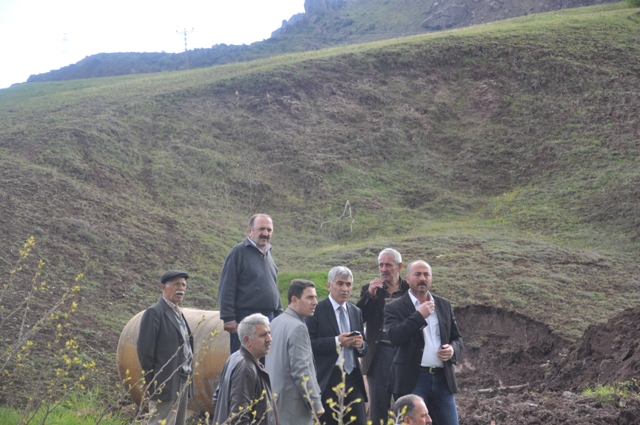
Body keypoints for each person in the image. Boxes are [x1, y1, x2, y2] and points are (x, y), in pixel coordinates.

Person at [384, 260, 463, 425]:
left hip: (442, 379)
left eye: (426, 274)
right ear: (407, 278)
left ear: (431, 278)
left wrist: (452, 350)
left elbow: (458, 339)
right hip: (413, 379)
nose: (422, 278)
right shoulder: (394, 307)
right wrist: (418, 316)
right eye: (417, 274)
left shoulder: (443, 305)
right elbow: (395, 337)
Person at [306, 266, 368, 425]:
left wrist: (360, 345)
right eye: (340, 283)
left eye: (348, 284)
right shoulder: (317, 310)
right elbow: (309, 345)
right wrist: (336, 342)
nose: (345, 289)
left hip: (353, 378)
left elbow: (363, 349)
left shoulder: (356, 311)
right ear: (329, 285)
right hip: (328, 379)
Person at [356, 248, 410, 425]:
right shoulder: (370, 290)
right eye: (381, 265)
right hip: (378, 355)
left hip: (404, 354)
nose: (384, 269)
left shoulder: (409, 290)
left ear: (399, 266)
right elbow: (359, 317)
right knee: (378, 408)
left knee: (407, 406)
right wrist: (369, 295)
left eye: (388, 264)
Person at [218, 214, 283, 354]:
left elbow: (272, 286)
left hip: (268, 318)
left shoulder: (268, 253)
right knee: (244, 361)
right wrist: (228, 318)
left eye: (269, 230)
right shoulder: (238, 252)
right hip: (246, 319)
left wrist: (279, 314)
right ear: (250, 231)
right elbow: (227, 285)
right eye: (261, 229)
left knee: (266, 365)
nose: (265, 233)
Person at [137, 270, 194, 425]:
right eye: (177, 284)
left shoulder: (178, 313)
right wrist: (152, 380)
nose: (181, 288)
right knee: (160, 422)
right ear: (164, 287)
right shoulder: (155, 312)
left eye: (183, 285)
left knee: (178, 422)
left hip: (182, 380)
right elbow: (145, 350)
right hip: (164, 381)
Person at [265, 279, 324, 425]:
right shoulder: (298, 327)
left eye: (315, 297)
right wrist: (315, 403)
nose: (315, 302)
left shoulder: (276, 322)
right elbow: (301, 370)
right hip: (293, 409)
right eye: (310, 297)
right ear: (294, 300)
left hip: (276, 404)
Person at [212, 313, 278, 425]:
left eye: (269, 333)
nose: (269, 339)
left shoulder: (234, 358)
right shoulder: (246, 368)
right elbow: (239, 417)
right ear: (247, 340)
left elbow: (216, 399)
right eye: (263, 335)